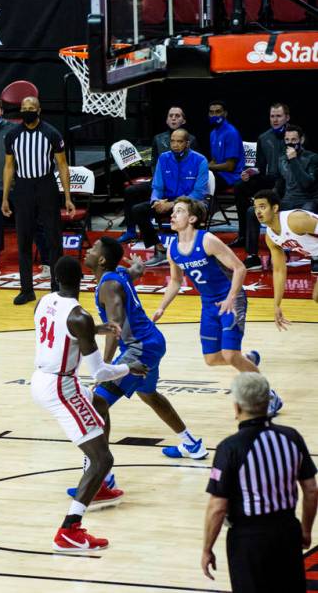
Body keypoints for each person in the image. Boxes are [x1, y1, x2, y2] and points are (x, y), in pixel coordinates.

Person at [31, 256, 141, 553]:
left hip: (41, 378)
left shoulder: (44, 301)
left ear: (56, 279)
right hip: (61, 387)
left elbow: (63, 331)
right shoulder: (80, 316)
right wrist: (130, 368)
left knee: (100, 404)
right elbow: (101, 372)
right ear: (83, 278)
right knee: (103, 460)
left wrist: (95, 330)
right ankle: (69, 529)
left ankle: (98, 482)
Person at [151, 197, 284, 413]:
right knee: (212, 359)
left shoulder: (207, 240)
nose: (173, 215)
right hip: (208, 304)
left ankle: (269, 396)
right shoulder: (172, 248)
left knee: (230, 354)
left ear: (192, 218)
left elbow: (240, 268)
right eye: (173, 212)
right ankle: (247, 359)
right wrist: (162, 307)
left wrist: (232, 296)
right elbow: (175, 281)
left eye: (179, 211)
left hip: (231, 299)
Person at [83, 236, 208, 462]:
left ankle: (101, 470)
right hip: (151, 342)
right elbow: (137, 270)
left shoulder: (109, 285)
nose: (87, 251)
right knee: (148, 394)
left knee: (98, 402)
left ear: (101, 259)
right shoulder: (119, 275)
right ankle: (191, 443)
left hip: (139, 347)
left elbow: (114, 328)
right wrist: (136, 264)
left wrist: (105, 366)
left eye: (92, 249)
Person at [202, 371, 317, 593]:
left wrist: (207, 548)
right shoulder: (291, 437)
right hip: (287, 530)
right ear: (268, 402)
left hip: (249, 540)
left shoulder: (230, 448)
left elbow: (217, 507)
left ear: (236, 407)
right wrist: (305, 530)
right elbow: (311, 490)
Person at [2, 96, 74, 304]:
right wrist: (6, 197)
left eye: (31, 108)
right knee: (23, 238)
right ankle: (27, 289)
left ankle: (56, 286)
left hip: (46, 186)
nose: (27, 111)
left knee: (53, 238)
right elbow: (9, 167)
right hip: (23, 187)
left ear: (39, 110)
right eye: (24, 108)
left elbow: (62, 165)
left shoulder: (51, 133)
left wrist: (67, 197)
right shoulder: (13, 135)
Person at [0, 98, 50, 280]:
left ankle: (47, 264)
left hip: (20, 186)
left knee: (34, 225)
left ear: (2, 111)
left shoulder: (15, 130)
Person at [119, 106, 193, 243]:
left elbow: (191, 167)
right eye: (171, 115)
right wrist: (158, 181)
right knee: (130, 191)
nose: (173, 118)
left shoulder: (191, 140)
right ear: (166, 120)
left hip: (180, 186)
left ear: (183, 120)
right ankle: (131, 231)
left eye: (177, 116)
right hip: (159, 182)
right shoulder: (158, 139)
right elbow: (153, 163)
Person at [138, 129, 209, 267]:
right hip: (167, 201)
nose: (175, 145)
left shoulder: (200, 160)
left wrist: (172, 205)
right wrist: (156, 201)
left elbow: (198, 193)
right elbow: (157, 186)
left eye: (179, 141)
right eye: (173, 141)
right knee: (138, 210)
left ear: (187, 143)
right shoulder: (164, 158)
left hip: (192, 204)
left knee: (184, 211)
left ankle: (191, 252)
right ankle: (159, 250)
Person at [253, 189, 318, 329]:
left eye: (262, 207)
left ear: (275, 208)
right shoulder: (271, 237)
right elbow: (279, 271)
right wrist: (276, 304)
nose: (258, 211)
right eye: (256, 208)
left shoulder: (296, 220)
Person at [236, 102, 287, 265]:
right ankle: (244, 235)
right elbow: (259, 166)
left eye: (279, 116)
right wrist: (249, 173)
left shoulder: (293, 135)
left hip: (287, 180)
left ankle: (280, 240)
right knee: (240, 187)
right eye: (272, 116)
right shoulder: (263, 138)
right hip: (268, 179)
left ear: (287, 117)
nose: (275, 119)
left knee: (276, 188)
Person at [276, 125, 318, 212]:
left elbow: (307, 184)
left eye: (294, 140)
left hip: (307, 200)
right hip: (287, 200)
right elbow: (279, 184)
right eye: (287, 140)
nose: (290, 143)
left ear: (301, 140)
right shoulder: (282, 159)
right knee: (252, 211)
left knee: (303, 214)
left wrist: (293, 160)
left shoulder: (312, 157)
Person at [207, 100, 244, 194]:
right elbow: (214, 160)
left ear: (225, 113)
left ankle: (204, 208)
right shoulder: (213, 133)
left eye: (218, 111)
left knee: (202, 181)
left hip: (231, 177)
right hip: (219, 174)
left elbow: (230, 166)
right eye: (211, 112)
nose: (214, 115)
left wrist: (207, 167)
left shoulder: (231, 133)